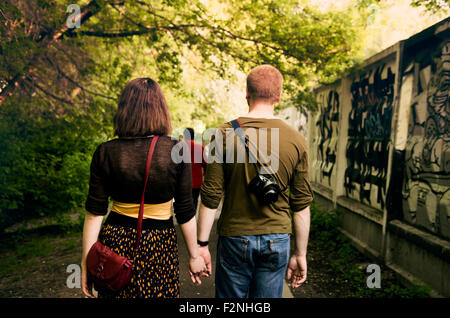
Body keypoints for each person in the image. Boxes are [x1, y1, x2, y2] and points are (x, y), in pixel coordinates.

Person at [81, 78, 205, 299]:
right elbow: (185, 211)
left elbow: (94, 214)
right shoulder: (177, 150)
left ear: (124, 110)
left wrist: (86, 263)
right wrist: (195, 256)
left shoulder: (105, 152)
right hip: (159, 242)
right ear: (161, 111)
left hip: (115, 242)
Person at [197, 65, 313, 298]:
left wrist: (201, 246)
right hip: (277, 237)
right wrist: (300, 254)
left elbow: (210, 198)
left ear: (247, 92)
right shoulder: (296, 139)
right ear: (279, 96)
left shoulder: (223, 135)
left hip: (235, 237)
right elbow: (301, 206)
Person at [183, 128, 207, 212]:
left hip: (181, 183)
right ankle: (192, 219)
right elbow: (206, 165)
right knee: (194, 202)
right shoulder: (199, 147)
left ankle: (182, 222)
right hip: (196, 182)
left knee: (182, 203)